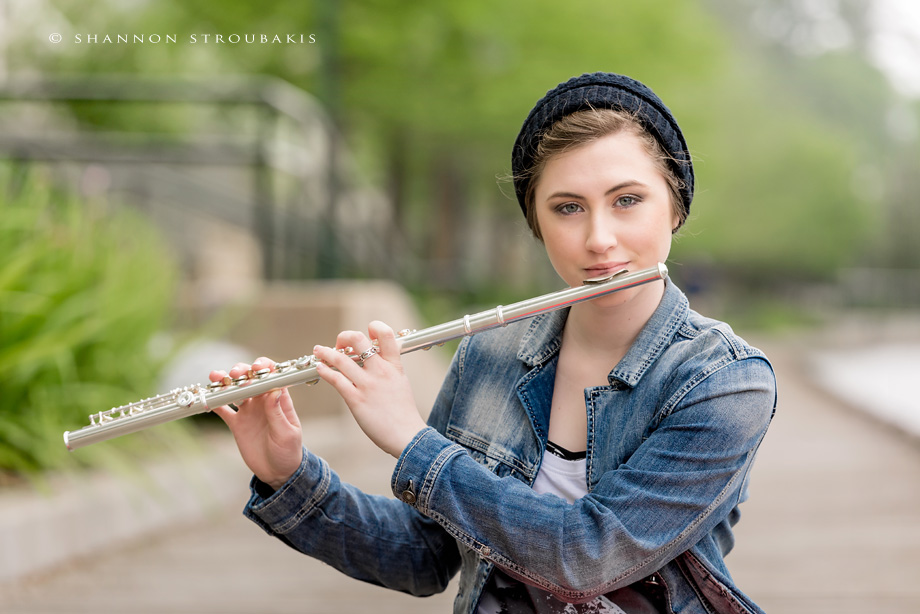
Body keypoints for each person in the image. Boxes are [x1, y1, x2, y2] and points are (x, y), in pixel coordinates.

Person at [210, 72, 777, 614]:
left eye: (627, 200)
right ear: (537, 221)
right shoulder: (490, 353)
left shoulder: (725, 382)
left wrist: (410, 439)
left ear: (675, 206)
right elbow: (424, 556)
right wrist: (289, 476)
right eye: (568, 207)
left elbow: (585, 556)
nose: (599, 239)